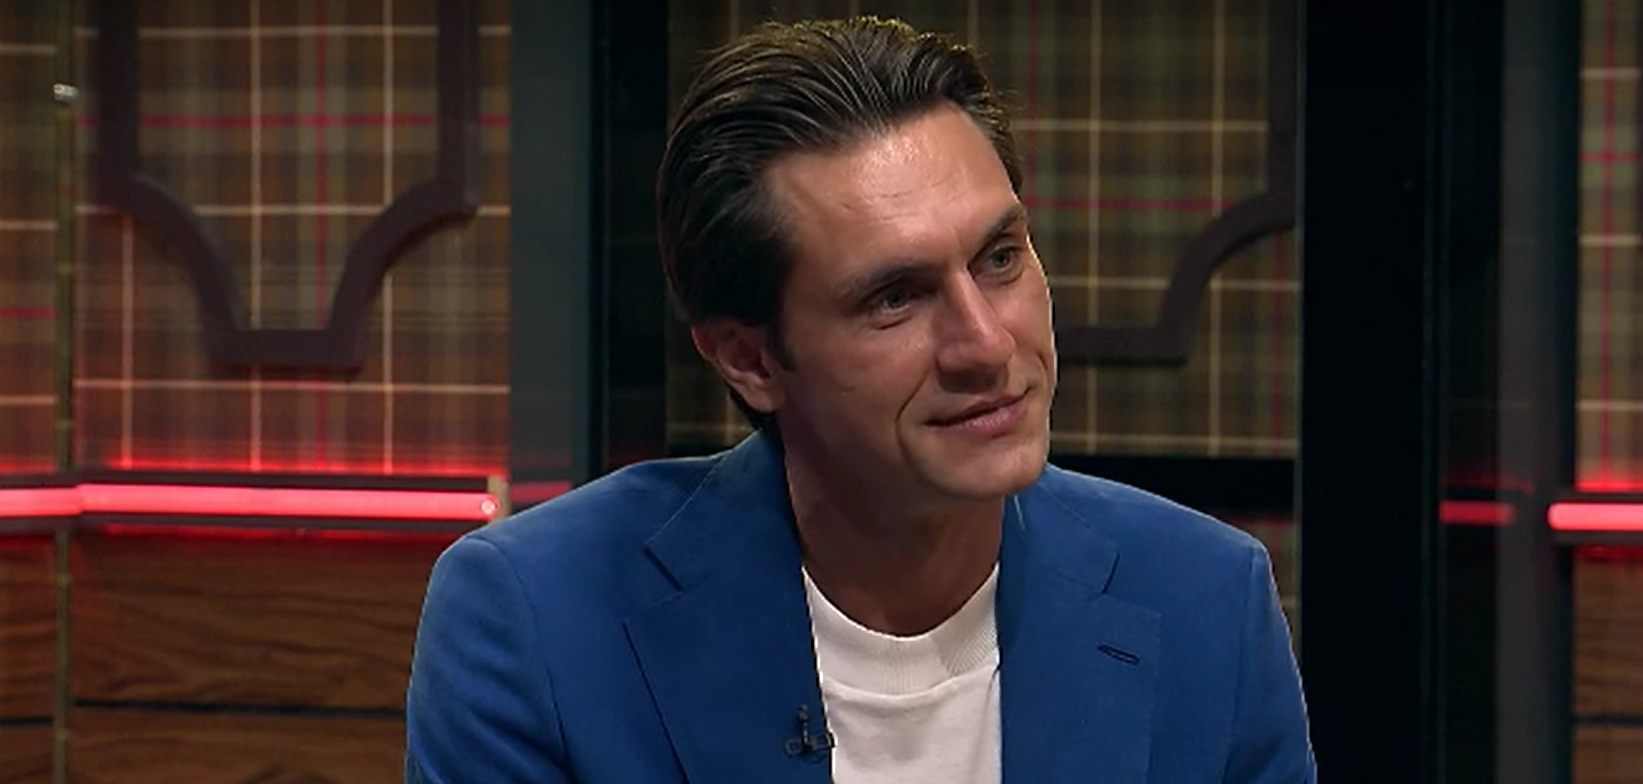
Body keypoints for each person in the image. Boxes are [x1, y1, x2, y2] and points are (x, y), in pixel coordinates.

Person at [405, 15, 1315, 784]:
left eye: (1000, 259)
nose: (985, 344)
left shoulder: (1206, 601)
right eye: (894, 298)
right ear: (749, 359)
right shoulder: (535, 616)